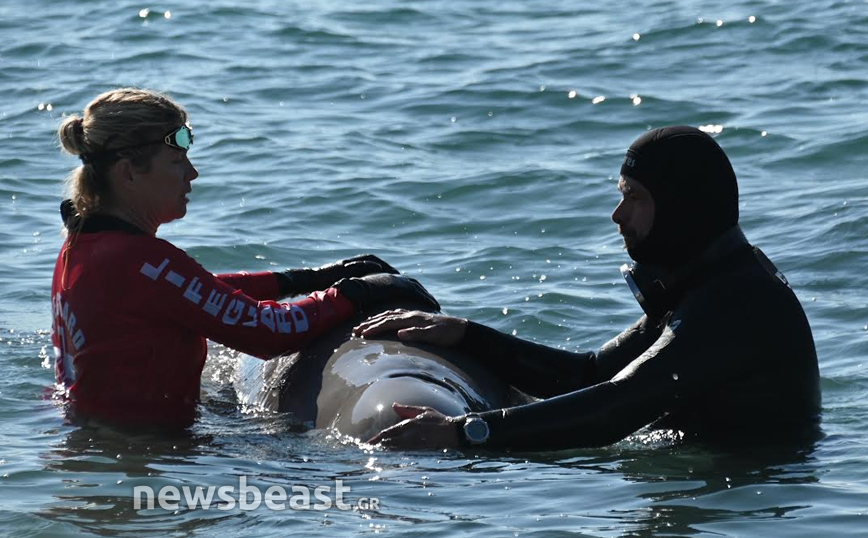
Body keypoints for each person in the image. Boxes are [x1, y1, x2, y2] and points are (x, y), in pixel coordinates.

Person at [354, 126, 822, 450]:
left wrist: (463, 433)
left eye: (634, 198)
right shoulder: (711, 281)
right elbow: (594, 376)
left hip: (749, 496)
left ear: (683, 207)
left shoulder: (733, 305)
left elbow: (613, 412)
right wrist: (464, 334)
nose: (618, 216)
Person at [51, 88, 438, 427]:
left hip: (90, 434)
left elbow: (190, 293)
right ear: (128, 174)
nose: (193, 173)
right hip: (149, 450)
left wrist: (301, 280)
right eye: (177, 162)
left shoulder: (84, 247)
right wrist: (357, 295)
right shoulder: (139, 260)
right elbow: (270, 332)